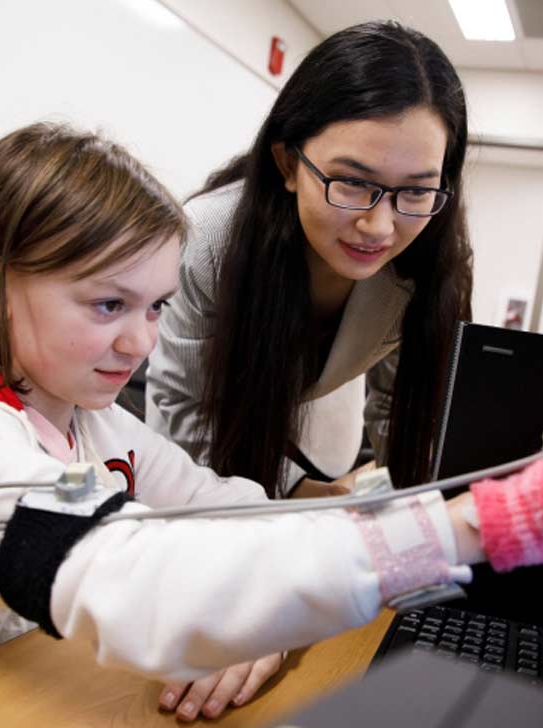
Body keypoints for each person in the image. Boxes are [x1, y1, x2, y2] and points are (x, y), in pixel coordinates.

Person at [0, 122, 543, 728]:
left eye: (155, 307)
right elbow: (132, 583)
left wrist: (266, 612)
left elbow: (234, 513)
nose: (142, 344)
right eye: (107, 306)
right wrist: (505, 518)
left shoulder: (93, 427)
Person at [145, 21, 474, 498]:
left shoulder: (429, 257)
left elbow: (401, 410)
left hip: (299, 427)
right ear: (287, 163)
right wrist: (303, 493)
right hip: (198, 436)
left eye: (417, 189)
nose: (381, 227)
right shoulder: (209, 242)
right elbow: (186, 413)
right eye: (353, 182)